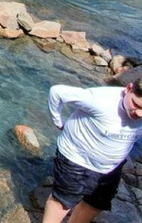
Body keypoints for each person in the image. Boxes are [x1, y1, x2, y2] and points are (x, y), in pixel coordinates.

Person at [43, 81, 142, 223]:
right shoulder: (100, 99)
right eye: (136, 105)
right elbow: (57, 91)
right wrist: (58, 121)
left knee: (96, 204)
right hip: (76, 159)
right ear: (129, 89)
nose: (139, 113)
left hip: (111, 166)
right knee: (62, 203)